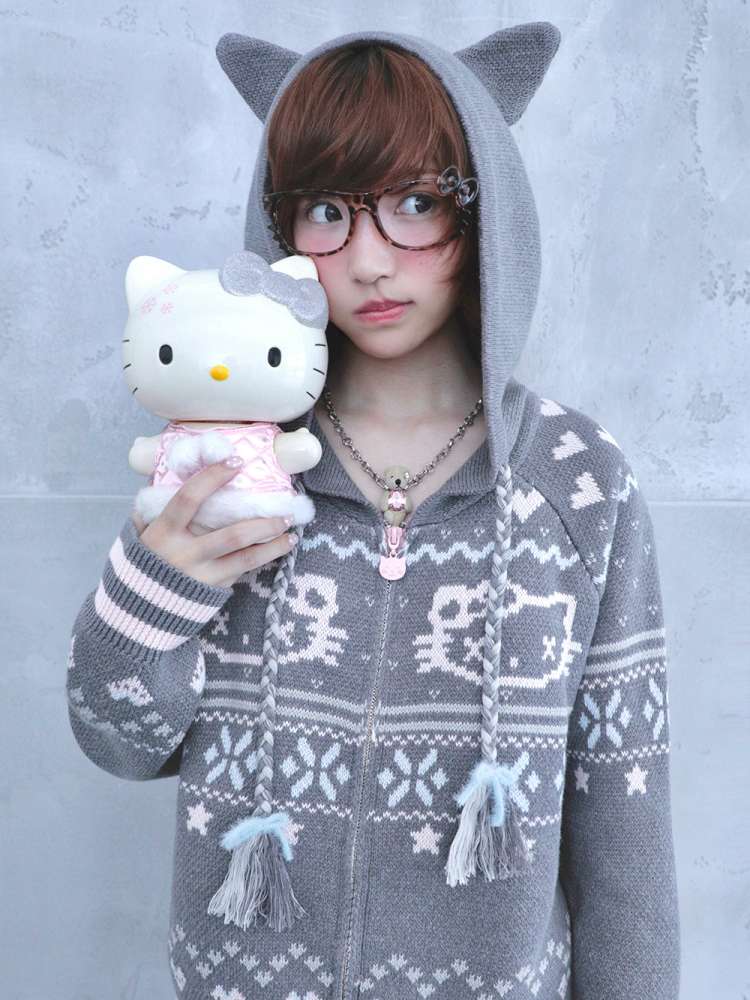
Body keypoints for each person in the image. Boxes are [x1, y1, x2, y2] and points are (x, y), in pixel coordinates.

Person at [66, 23, 681, 1000]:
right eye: (326, 211)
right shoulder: (230, 466)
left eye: (415, 204)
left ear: (485, 212)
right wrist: (153, 591)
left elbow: (628, 853)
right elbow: (120, 742)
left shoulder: (579, 484)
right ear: (280, 229)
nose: (368, 261)